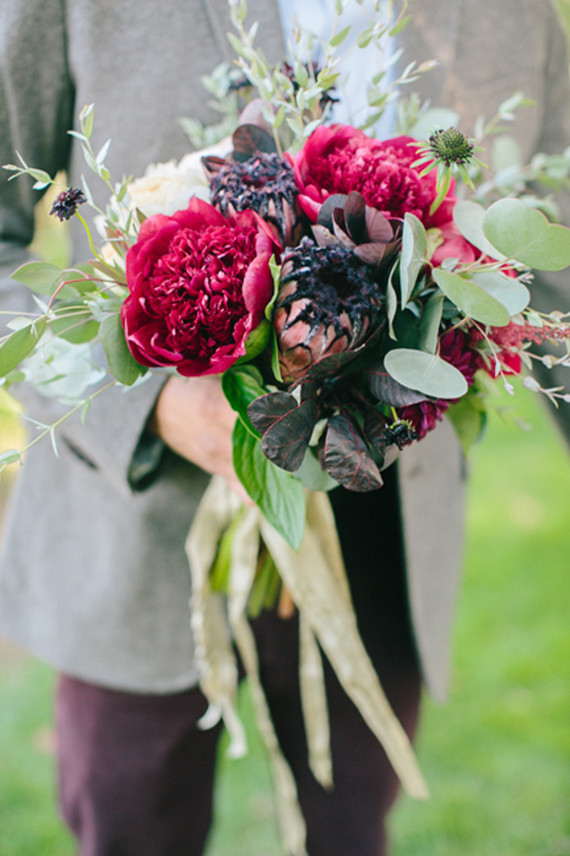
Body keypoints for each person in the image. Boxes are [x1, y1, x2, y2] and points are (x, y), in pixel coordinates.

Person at [0, 1, 568, 855]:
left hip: (383, 518)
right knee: (129, 825)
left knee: (350, 829)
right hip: (133, 519)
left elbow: (552, 269)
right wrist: (141, 403)